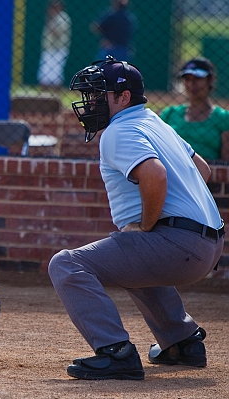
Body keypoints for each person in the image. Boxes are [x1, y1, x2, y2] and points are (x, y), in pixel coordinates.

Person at [48, 56, 224, 380]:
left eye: (99, 94)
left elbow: (155, 175)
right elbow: (203, 170)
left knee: (67, 264)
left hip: (181, 243)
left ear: (123, 97)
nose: (91, 103)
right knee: (128, 253)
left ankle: (116, 353)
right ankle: (182, 342)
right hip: (208, 244)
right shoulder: (155, 120)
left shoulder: (117, 131)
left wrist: (146, 224)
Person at [161, 57, 229, 161]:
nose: (191, 84)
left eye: (197, 78)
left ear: (211, 80)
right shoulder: (169, 114)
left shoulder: (223, 118)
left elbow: (226, 163)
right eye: (187, 79)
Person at [37, 0, 72, 89]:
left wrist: (51, 21)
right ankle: (44, 95)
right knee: (45, 73)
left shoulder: (62, 18)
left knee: (56, 73)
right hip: (49, 48)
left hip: (58, 49)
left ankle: (56, 95)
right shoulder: (53, 18)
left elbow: (56, 33)